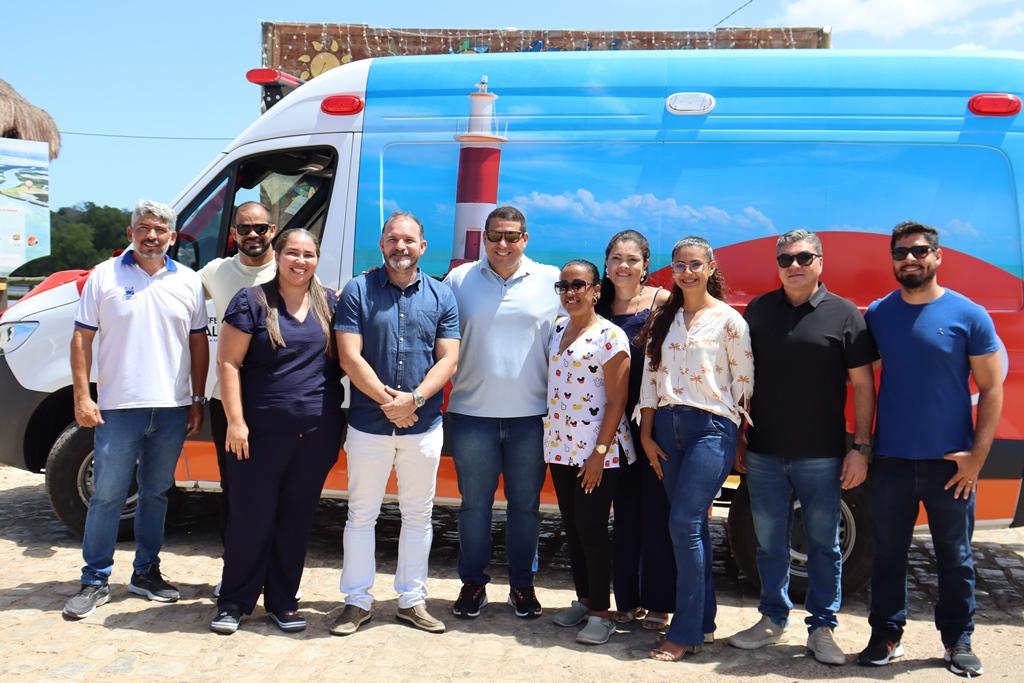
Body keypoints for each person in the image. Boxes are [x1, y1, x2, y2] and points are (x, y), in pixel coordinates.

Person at [727, 229, 877, 665]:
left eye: (804, 257)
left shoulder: (845, 314)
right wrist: (740, 434)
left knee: (824, 546)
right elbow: (742, 377)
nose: (794, 265)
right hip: (764, 451)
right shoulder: (758, 310)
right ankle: (772, 619)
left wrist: (861, 447)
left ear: (820, 262)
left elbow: (864, 386)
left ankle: (822, 629)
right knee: (768, 542)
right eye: (786, 259)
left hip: (822, 455)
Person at [859, 221, 1002, 677]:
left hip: (950, 466)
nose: (910, 259)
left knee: (955, 558)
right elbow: (859, 376)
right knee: (887, 556)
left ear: (938, 256)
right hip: (891, 461)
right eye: (900, 252)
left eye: (920, 251)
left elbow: (992, 387)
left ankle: (958, 641)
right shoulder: (879, 314)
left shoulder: (969, 314)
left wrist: (977, 458)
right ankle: (886, 636)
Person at [63, 200, 208, 619]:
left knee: (156, 494)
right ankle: (94, 579)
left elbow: (198, 342)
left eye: (160, 230)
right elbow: (81, 338)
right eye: (144, 228)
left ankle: (146, 572)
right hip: (118, 408)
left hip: (171, 407)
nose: (152, 236)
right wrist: (82, 396)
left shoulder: (189, 280)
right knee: (107, 495)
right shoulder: (104, 275)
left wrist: (197, 399)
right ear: (131, 233)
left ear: (173, 237)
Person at [330, 211, 460, 636]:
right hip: (369, 424)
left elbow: (449, 359)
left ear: (422, 247)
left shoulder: (442, 296)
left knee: (418, 515)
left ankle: (412, 600)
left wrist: (414, 400)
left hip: (423, 426)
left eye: (408, 239)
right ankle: (356, 601)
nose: (400, 246)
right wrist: (391, 403)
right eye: (392, 238)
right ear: (382, 244)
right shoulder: (358, 290)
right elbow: (349, 356)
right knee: (360, 515)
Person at [209, 228, 344, 634]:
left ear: (317, 259)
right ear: (278, 255)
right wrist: (236, 422)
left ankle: (283, 601)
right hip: (258, 435)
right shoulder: (251, 301)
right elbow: (228, 363)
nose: (300, 261)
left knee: (295, 521)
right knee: (250, 518)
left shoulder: (331, 303)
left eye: (308, 254)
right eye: (292, 253)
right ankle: (234, 602)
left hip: (317, 435)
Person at [634, 236, 754, 661]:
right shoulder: (663, 319)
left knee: (684, 523)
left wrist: (740, 436)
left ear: (710, 268)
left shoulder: (729, 320)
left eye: (696, 264)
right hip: (666, 430)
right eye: (680, 265)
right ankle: (703, 622)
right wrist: (646, 435)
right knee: (693, 528)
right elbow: (651, 379)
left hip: (711, 428)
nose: (687, 272)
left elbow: (743, 384)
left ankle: (684, 632)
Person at [444, 206, 561, 620]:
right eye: (495, 235)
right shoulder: (459, 279)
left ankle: (522, 586)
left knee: (525, 507)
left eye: (512, 236)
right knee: (473, 506)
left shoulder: (550, 279)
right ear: (484, 238)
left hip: (532, 418)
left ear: (525, 239)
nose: (503, 243)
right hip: (471, 415)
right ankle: (473, 584)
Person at [546, 259, 635, 645]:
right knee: (572, 525)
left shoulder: (611, 337)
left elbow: (618, 401)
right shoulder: (557, 329)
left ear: (596, 290)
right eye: (564, 286)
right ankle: (584, 600)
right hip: (561, 447)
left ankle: (601, 613)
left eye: (579, 285)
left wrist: (598, 454)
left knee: (592, 527)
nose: (570, 293)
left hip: (601, 451)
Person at [595, 230, 675, 631]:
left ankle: (659, 602)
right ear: (606, 263)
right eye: (616, 258)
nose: (623, 266)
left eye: (632, 259)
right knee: (624, 514)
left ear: (645, 265)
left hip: (652, 421)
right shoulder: (597, 305)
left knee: (657, 512)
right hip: (606, 425)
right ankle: (627, 600)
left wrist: (651, 424)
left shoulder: (663, 303)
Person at [199, 201, 278, 548]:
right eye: (244, 228)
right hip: (227, 402)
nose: (252, 235)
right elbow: (170, 288)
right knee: (233, 487)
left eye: (260, 228)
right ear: (233, 233)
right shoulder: (216, 272)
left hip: (275, 400)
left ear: (272, 230)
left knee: (275, 486)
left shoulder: (292, 269)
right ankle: (234, 564)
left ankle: (271, 566)